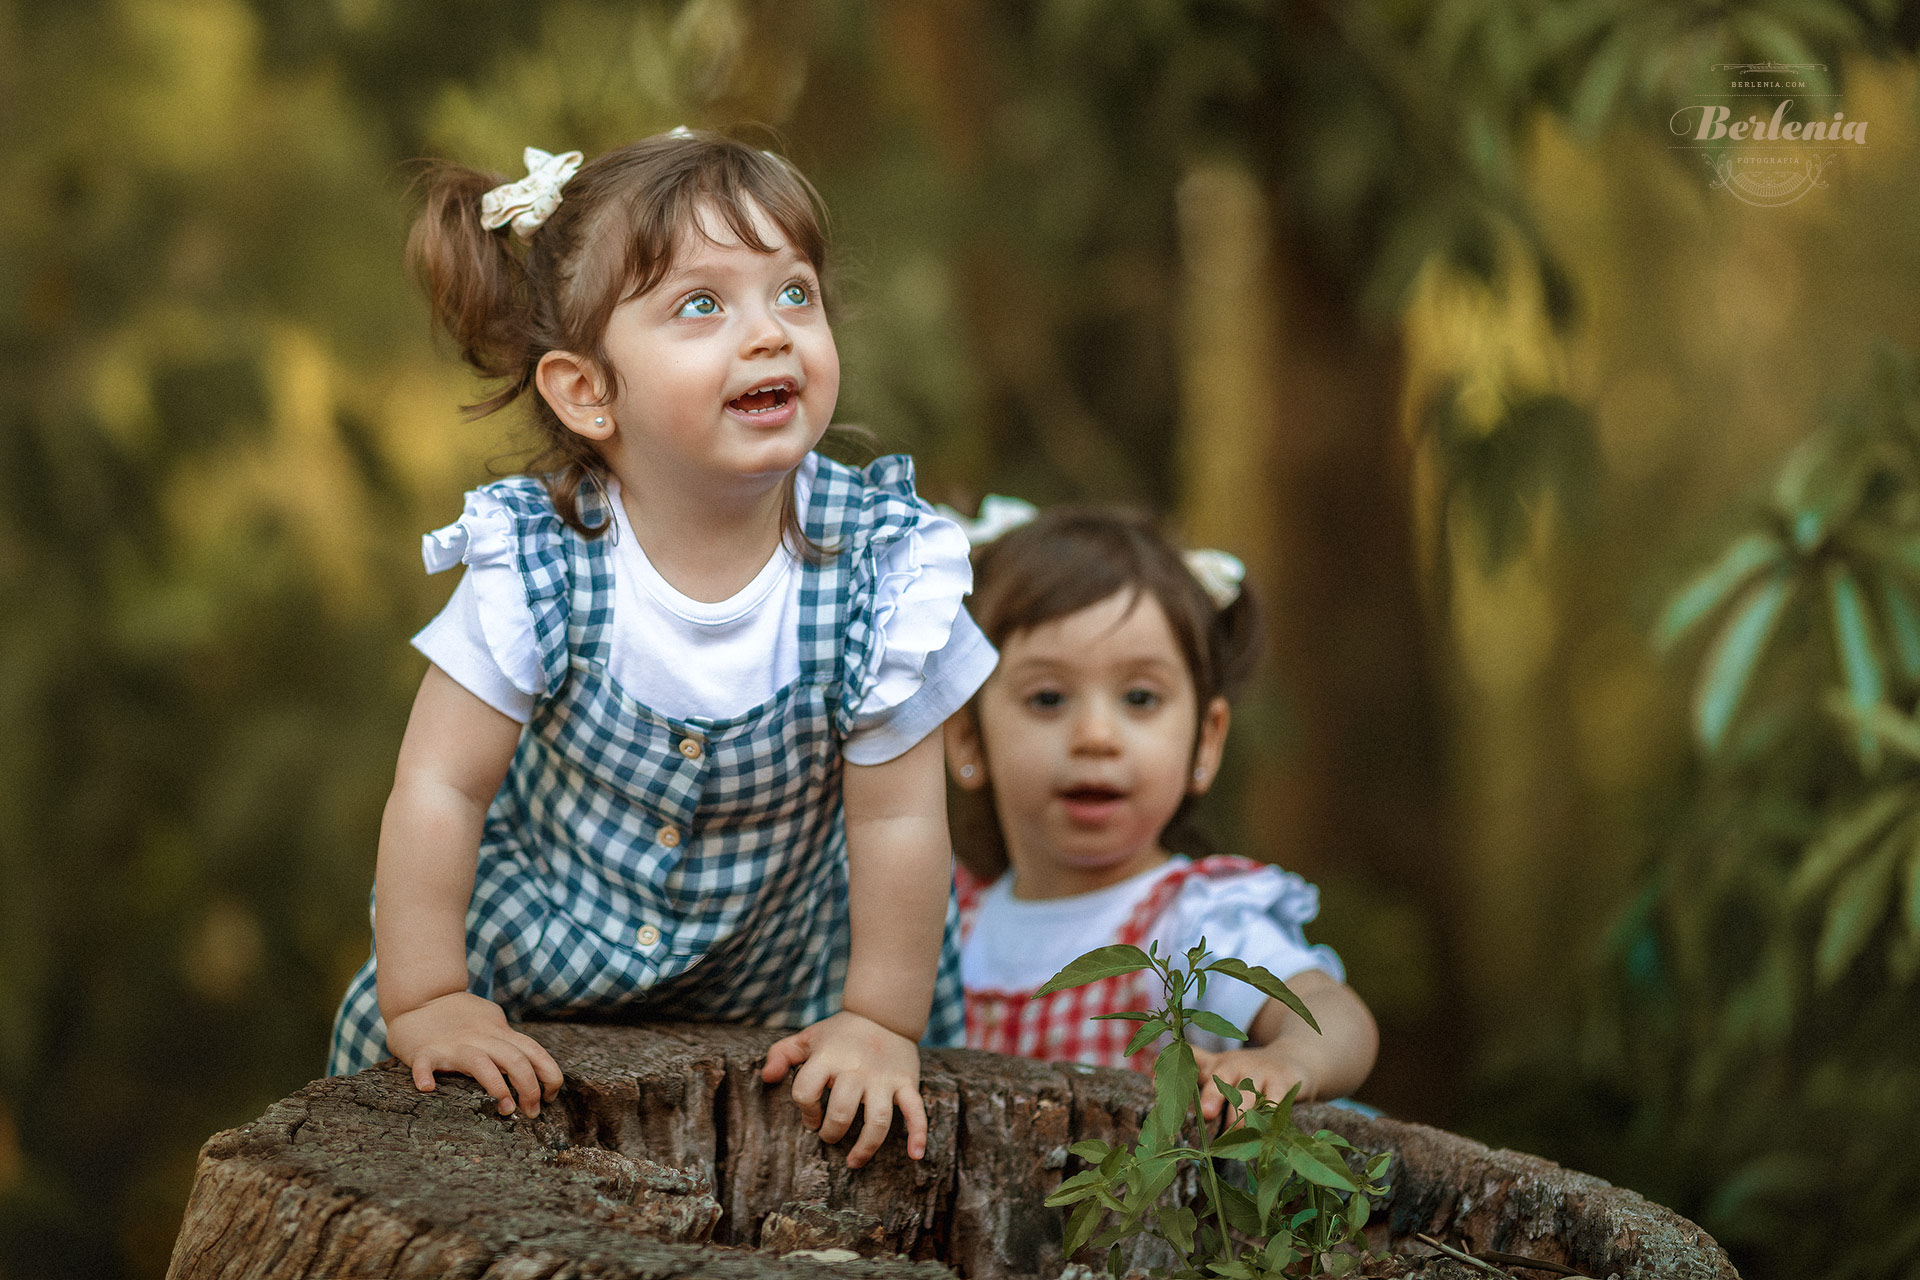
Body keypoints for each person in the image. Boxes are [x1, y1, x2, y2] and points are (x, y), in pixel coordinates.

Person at [329, 131, 996, 1169]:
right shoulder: (534, 561)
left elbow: (902, 814)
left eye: (795, 294)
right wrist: (430, 995)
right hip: (537, 964)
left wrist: (878, 1018)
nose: (770, 335)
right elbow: (438, 788)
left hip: (787, 986)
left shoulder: (883, 566)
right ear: (588, 390)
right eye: (703, 305)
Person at [942, 502, 1376, 1120]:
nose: (1095, 735)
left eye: (1140, 698)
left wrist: (1292, 1062)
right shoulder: (941, 925)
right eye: (1047, 698)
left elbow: (1336, 1014)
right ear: (966, 738)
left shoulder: (1190, 927)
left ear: (1206, 741)